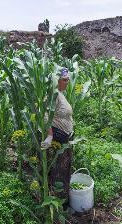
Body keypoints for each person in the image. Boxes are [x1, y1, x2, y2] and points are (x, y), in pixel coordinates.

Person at [41, 67, 73, 206]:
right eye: (64, 80)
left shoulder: (60, 93)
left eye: (68, 80)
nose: (67, 83)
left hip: (65, 137)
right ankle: (59, 200)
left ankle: (64, 197)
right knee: (59, 171)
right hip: (58, 139)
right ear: (57, 80)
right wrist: (49, 135)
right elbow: (45, 115)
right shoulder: (52, 94)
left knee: (65, 170)